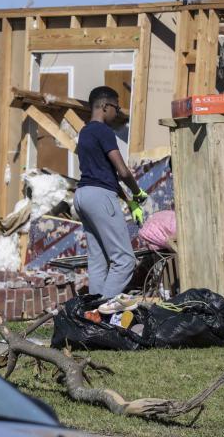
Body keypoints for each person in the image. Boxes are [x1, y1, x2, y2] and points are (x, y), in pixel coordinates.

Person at [73, 86, 148, 298]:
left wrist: (129, 202)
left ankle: (92, 319)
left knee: (98, 261)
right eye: (116, 107)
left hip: (82, 195)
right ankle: (101, 312)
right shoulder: (103, 131)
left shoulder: (85, 132)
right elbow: (122, 171)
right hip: (100, 197)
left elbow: (104, 175)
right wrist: (137, 192)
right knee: (124, 260)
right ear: (105, 106)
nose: (118, 113)